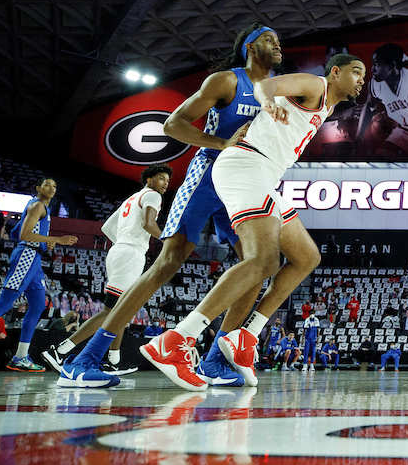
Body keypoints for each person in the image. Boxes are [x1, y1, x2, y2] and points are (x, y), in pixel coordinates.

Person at [58, 24, 282, 389]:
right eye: (270, 39)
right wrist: (221, 142)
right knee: (169, 261)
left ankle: (214, 362)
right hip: (209, 173)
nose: (278, 46)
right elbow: (172, 124)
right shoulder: (226, 81)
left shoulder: (277, 91)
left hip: (243, 184)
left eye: (279, 42)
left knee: (256, 266)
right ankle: (84, 360)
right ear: (249, 46)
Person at [140, 54, 366, 391]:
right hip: (245, 166)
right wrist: (266, 101)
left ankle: (246, 335)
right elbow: (267, 86)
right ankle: (174, 341)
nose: (362, 79)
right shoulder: (315, 84)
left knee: (306, 257)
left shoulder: (328, 108)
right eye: (357, 71)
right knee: (262, 260)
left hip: (264, 175)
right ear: (336, 72)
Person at [43, 164, 173, 377]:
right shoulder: (153, 196)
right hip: (130, 254)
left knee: (120, 310)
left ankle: (113, 361)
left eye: (167, 180)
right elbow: (150, 224)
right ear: (149, 180)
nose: (165, 183)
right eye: (161, 178)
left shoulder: (131, 199)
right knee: (110, 311)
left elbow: (107, 228)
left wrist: (124, 242)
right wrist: (167, 242)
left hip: (118, 251)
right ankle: (60, 350)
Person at [0, 178, 77, 374]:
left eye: (55, 186)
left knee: (38, 306)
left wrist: (45, 244)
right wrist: (56, 239)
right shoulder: (37, 206)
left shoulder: (38, 208)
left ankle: (20, 357)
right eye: (47, 184)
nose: (51, 188)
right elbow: (24, 235)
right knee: (4, 304)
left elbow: (16, 232)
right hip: (26, 255)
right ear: (37, 188)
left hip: (35, 258)